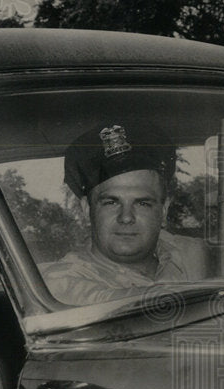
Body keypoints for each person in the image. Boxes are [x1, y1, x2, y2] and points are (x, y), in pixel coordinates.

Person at [40, 120, 209, 305]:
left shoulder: (189, 252)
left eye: (142, 203)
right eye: (111, 202)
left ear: (163, 209)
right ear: (87, 209)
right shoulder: (60, 283)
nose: (126, 217)